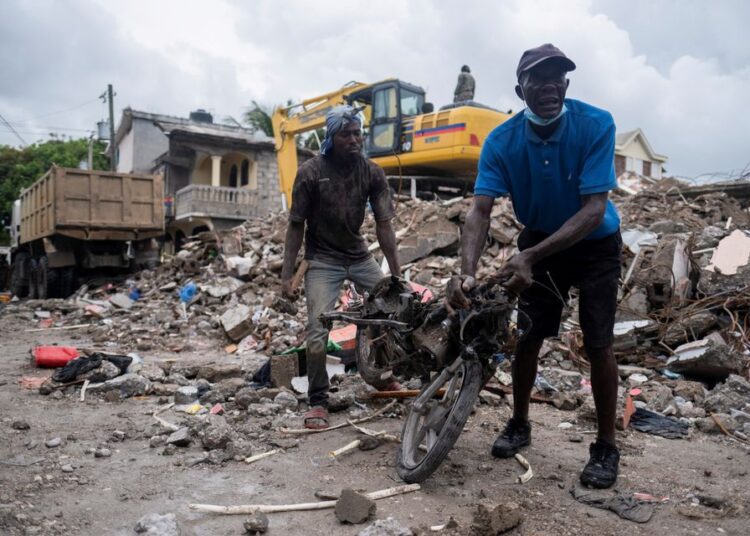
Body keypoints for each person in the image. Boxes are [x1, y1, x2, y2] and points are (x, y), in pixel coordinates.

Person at [447, 44, 623, 488]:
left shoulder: (596, 124)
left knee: (599, 343)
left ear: (566, 83)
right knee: (527, 337)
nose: (549, 86)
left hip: (595, 243)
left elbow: (593, 210)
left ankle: (605, 447)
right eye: (537, 79)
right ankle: (520, 422)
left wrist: (530, 256)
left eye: (557, 77)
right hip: (540, 239)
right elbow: (480, 211)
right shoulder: (502, 141)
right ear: (519, 89)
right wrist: (466, 271)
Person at [281, 105, 401, 430]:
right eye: (345, 134)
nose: (353, 139)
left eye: (357, 133)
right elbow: (295, 226)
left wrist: (396, 274)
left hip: (359, 256)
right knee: (318, 334)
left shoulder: (372, 172)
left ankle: (382, 377)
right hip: (321, 260)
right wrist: (286, 276)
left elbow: (385, 225)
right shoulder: (310, 172)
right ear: (331, 138)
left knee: (390, 314)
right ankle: (318, 400)